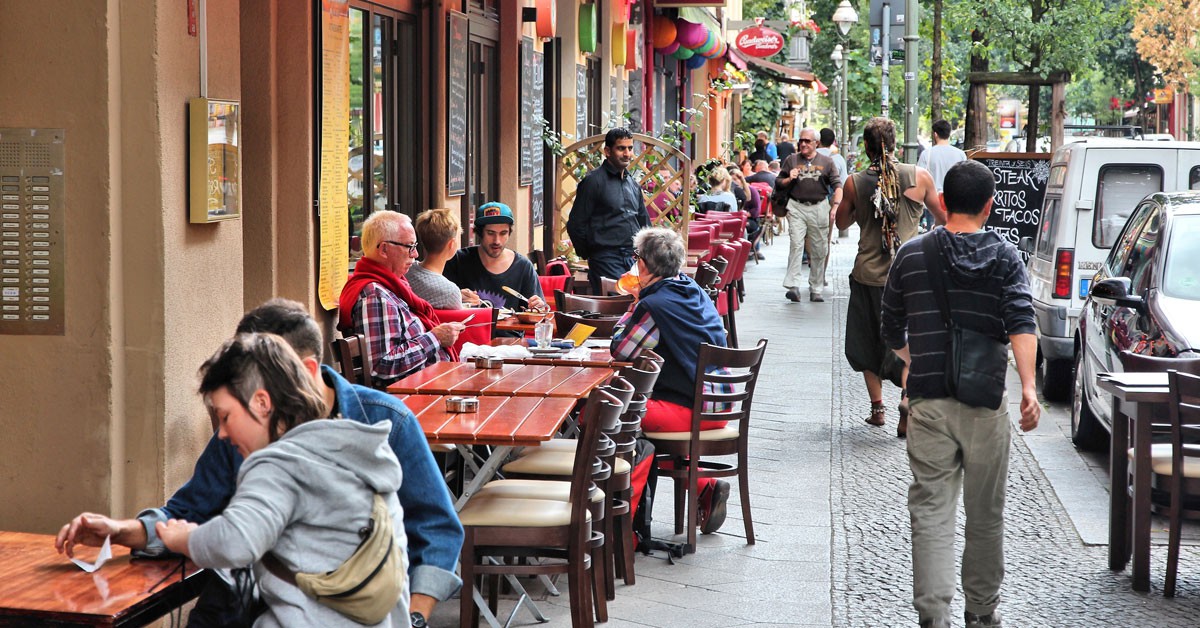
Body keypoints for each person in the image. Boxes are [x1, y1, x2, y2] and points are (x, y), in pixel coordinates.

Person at [55, 299, 464, 628]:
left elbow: (437, 529)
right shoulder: (245, 433)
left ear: (299, 371)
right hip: (244, 604)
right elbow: (189, 511)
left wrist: (414, 617)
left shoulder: (384, 421)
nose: (223, 431)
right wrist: (123, 530)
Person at [153, 333, 410, 627]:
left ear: (262, 403)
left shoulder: (279, 464)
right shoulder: (353, 450)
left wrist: (183, 539)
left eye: (225, 417)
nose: (222, 433)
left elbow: (235, 540)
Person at [880, 160, 1039, 628]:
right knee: (986, 513)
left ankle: (933, 616)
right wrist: (1028, 386)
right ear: (990, 206)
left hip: (928, 401)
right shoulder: (1006, 257)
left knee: (930, 510)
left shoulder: (911, 255)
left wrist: (915, 359)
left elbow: (890, 327)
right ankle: (982, 612)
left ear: (943, 203)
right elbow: (1021, 322)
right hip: (986, 403)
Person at [610, 227, 731, 533]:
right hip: (721, 406)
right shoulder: (694, 290)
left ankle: (621, 526)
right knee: (637, 426)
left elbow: (621, 349)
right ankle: (704, 484)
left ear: (644, 265)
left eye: (636, 258)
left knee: (606, 417)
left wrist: (633, 307)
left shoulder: (654, 305)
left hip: (690, 409)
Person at [835, 117, 945, 437]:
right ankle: (908, 398)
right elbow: (941, 219)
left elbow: (842, 223)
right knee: (911, 343)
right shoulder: (919, 177)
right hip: (910, 276)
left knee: (867, 342)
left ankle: (878, 409)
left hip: (868, 276)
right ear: (895, 143)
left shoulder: (855, 182)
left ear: (866, 147)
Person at [338, 211, 463, 386]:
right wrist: (435, 338)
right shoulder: (375, 295)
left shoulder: (391, 286)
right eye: (410, 247)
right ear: (384, 249)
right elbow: (382, 366)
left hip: (424, 389)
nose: (416, 254)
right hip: (410, 400)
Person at [568, 127, 650, 294]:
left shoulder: (632, 184)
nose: (627, 153)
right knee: (615, 307)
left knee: (636, 306)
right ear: (607, 151)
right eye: (621, 148)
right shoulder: (593, 182)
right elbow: (576, 224)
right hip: (606, 259)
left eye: (630, 148)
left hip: (633, 259)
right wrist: (591, 254)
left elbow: (643, 222)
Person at [775, 127, 842, 303]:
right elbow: (778, 182)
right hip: (796, 207)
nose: (803, 144)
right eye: (801, 140)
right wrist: (789, 178)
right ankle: (793, 286)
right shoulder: (792, 160)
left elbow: (837, 185)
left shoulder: (827, 162)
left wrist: (835, 206)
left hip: (819, 207)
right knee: (796, 244)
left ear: (816, 143)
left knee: (820, 249)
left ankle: (816, 288)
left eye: (807, 141)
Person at [444, 202, 546, 313]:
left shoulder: (523, 266)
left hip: (511, 330)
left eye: (503, 233)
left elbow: (538, 313)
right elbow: (435, 305)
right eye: (490, 233)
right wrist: (454, 299)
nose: (497, 241)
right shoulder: (458, 261)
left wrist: (538, 307)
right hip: (468, 329)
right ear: (479, 232)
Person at [410, 208, 479, 309]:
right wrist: (456, 295)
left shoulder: (406, 271)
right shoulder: (450, 291)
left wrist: (458, 295)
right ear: (451, 244)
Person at [916, 120, 969, 230]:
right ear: (949, 133)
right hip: (954, 203)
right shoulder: (960, 154)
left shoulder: (927, 154)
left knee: (933, 237)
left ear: (935, 134)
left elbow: (919, 178)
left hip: (933, 203)